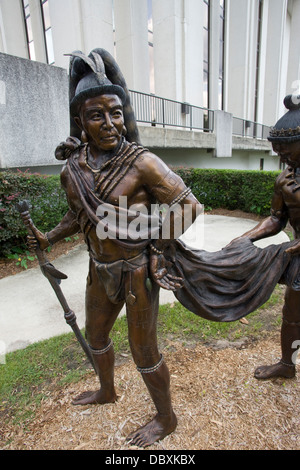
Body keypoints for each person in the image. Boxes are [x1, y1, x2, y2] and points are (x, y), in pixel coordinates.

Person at [26, 49, 201, 448]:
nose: (109, 123)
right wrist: (49, 238)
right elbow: (79, 217)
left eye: (116, 113)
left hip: (137, 270)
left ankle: (166, 417)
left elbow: (188, 206)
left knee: (144, 351)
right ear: (80, 121)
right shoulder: (74, 169)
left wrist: (156, 242)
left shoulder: (143, 163)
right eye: (96, 115)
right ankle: (107, 390)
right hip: (98, 268)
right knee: (96, 335)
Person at [231, 94, 300, 380]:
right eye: (278, 152)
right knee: (292, 314)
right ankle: (287, 363)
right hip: (298, 259)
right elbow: (275, 219)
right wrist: (246, 238)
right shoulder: (284, 180)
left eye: (286, 150)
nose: (281, 157)